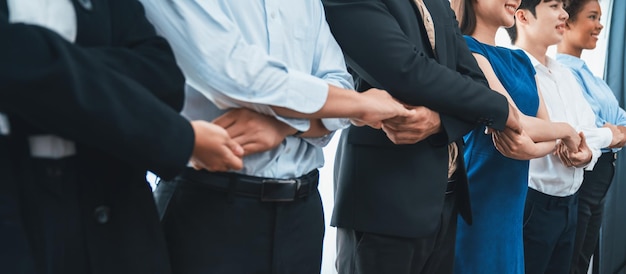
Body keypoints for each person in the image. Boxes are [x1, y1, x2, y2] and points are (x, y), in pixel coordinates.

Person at [139, 1, 411, 273]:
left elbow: (339, 82)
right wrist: (361, 105)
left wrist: (282, 125)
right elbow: (236, 77)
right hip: (208, 207)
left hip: (302, 215)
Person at [0, 0, 245, 274]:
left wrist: (50, 63)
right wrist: (180, 137)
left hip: (117, 225)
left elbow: (166, 79)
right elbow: (15, 66)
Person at [321, 0, 529, 273]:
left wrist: (441, 120)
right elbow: (407, 72)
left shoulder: (438, 3)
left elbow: (475, 79)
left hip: (446, 198)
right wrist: (497, 106)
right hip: (385, 201)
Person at [450, 0, 598, 273]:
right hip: (478, 198)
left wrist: (531, 147)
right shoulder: (465, 49)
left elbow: (540, 129)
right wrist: (563, 132)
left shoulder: (519, 60)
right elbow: (516, 119)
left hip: (512, 206)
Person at [506, 0, 620, 273]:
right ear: (523, 16)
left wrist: (587, 152)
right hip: (533, 206)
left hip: (570, 203)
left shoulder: (564, 74)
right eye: (554, 6)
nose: (564, 14)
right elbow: (534, 133)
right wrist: (608, 135)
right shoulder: (512, 68)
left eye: (564, 7)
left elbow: (584, 130)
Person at [556, 0, 626, 273]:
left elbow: (618, 125)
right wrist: (611, 133)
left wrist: (611, 133)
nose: (600, 24)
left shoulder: (592, 78)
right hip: (584, 181)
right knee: (573, 261)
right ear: (568, 21)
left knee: (583, 259)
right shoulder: (566, 75)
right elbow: (589, 134)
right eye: (592, 16)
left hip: (600, 183)